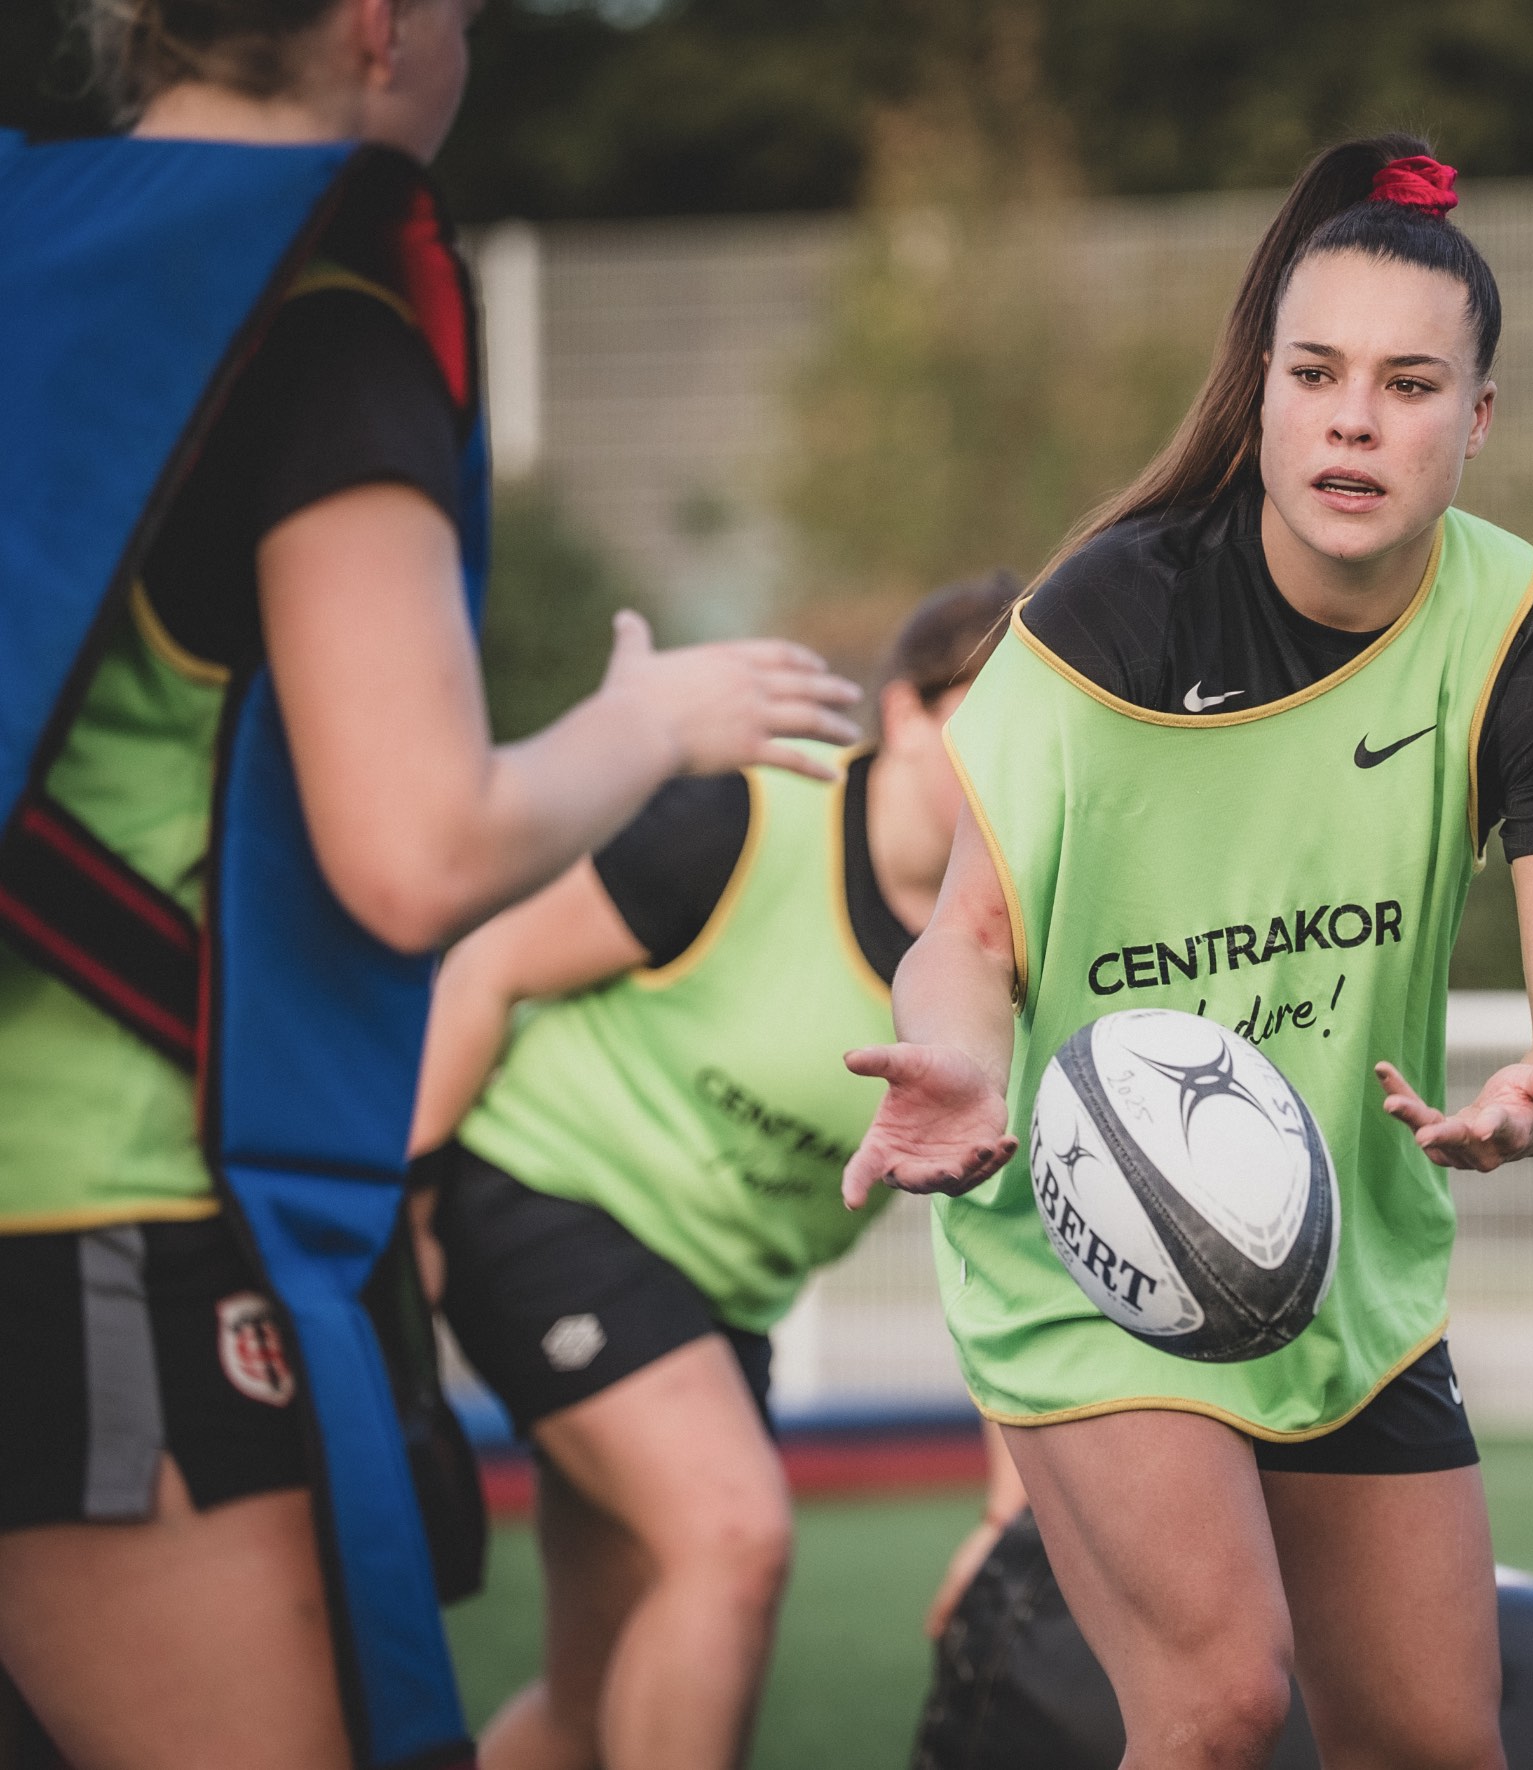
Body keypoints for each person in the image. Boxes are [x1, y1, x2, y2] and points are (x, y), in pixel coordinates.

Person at [0, 3, 863, 1766]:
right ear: (381, 27)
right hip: (104, 1220)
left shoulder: (32, 249)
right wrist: (648, 723)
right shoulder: (317, 317)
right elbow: (420, 855)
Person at [842, 138, 1533, 1770]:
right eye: (1316, 373)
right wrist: (960, 1062)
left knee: (1434, 1746)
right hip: (1087, 1235)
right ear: (1265, 393)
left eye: (1410, 383)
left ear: (1476, 419)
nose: (1354, 416)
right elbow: (968, 940)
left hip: (1342, 1267)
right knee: (1215, 1705)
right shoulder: (1114, 610)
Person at [411, 573, 1027, 1770]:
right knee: (734, 1536)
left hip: (713, 1304)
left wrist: (1008, 1510)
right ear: (904, 713)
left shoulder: (1012, 952)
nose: (1019, 757)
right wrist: (409, 1217)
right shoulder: (747, 822)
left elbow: (1013, 1242)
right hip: (542, 1199)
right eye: (989, 712)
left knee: (597, 1708)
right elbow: (483, 966)